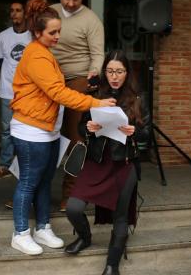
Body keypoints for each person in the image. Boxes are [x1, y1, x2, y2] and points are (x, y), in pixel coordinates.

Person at [9, 0, 115, 256]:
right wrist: (96, 104)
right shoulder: (36, 56)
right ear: (37, 33)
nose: (58, 37)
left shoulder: (45, 53)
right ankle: (20, 233)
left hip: (46, 130)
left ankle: (42, 227)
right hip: (30, 130)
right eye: (53, 32)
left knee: (44, 182)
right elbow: (59, 92)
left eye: (59, 31)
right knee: (28, 182)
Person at [64, 50, 145, 275]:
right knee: (73, 208)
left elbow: (147, 133)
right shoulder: (96, 94)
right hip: (97, 160)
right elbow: (82, 127)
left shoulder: (137, 97)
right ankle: (85, 237)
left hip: (123, 162)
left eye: (119, 71)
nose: (114, 76)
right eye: (110, 71)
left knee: (120, 215)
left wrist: (134, 132)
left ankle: (112, 265)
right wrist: (88, 129)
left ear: (127, 73)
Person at [50, 0, 105, 210]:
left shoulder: (92, 20)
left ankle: (69, 194)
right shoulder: (49, 13)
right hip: (50, 78)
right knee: (36, 134)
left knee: (75, 137)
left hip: (79, 78)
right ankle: (27, 191)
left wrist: (94, 73)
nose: (70, 3)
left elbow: (98, 54)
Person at [0, 1, 31, 181]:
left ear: (25, 14)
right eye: (12, 11)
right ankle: (4, 165)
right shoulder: (3, 36)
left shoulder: (33, 37)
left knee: (27, 129)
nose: (15, 14)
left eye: (18, 10)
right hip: (7, 90)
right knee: (6, 130)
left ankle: (23, 165)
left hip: (28, 92)